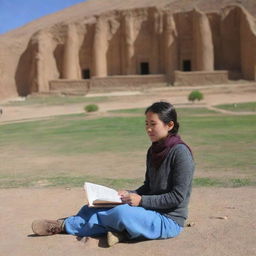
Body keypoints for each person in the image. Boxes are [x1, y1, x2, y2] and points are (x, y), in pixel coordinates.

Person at [32, 101, 195, 247]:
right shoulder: (153, 150)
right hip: (149, 210)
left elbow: (176, 197)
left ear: (170, 125)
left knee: (120, 213)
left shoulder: (180, 153)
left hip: (168, 220)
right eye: (146, 123)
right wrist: (129, 194)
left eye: (153, 124)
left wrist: (141, 200)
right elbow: (148, 186)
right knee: (97, 205)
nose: (148, 129)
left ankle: (64, 226)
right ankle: (119, 232)